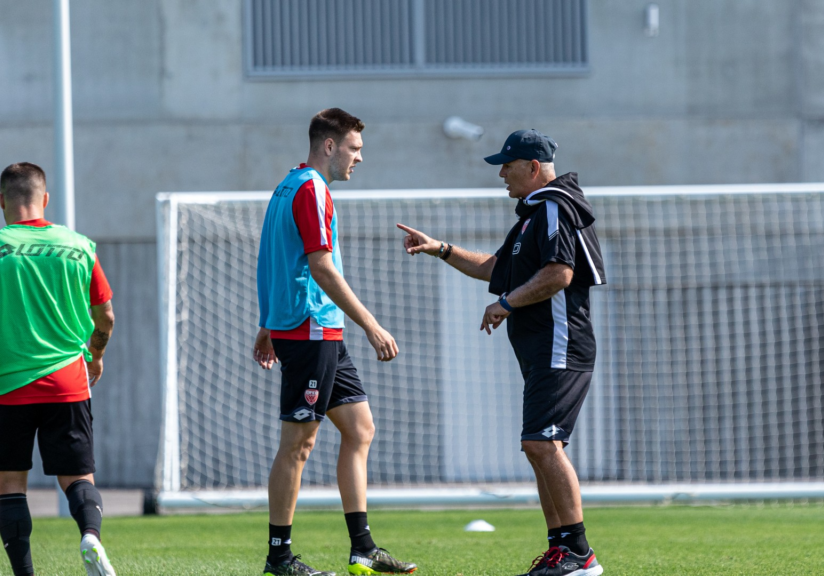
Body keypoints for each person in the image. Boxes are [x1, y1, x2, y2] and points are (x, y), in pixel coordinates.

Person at [398, 129, 607, 576]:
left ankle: (580, 554)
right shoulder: (532, 215)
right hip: (542, 347)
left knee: (542, 442)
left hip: (560, 342)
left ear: (533, 168)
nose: (501, 173)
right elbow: (497, 268)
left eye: (507, 165)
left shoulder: (552, 206)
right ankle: (560, 551)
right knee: (538, 446)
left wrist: (506, 304)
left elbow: (559, 273)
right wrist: (440, 248)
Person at [253, 108, 416, 576]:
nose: (359, 158)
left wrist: (267, 324)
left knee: (360, 429)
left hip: (312, 328)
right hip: (310, 330)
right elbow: (320, 265)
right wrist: (371, 323)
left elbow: (273, 256)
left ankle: (362, 548)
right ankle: (279, 558)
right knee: (298, 444)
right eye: (354, 148)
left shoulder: (288, 183)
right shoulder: (311, 190)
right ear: (329, 145)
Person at [0, 163, 117, 576]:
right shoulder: (79, 246)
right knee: (78, 478)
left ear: (1, 200)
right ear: (44, 199)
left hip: (7, 386)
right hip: (67, 382)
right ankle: (91, 536)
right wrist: (95, 354)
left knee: (11, 489)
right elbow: (106, 317)